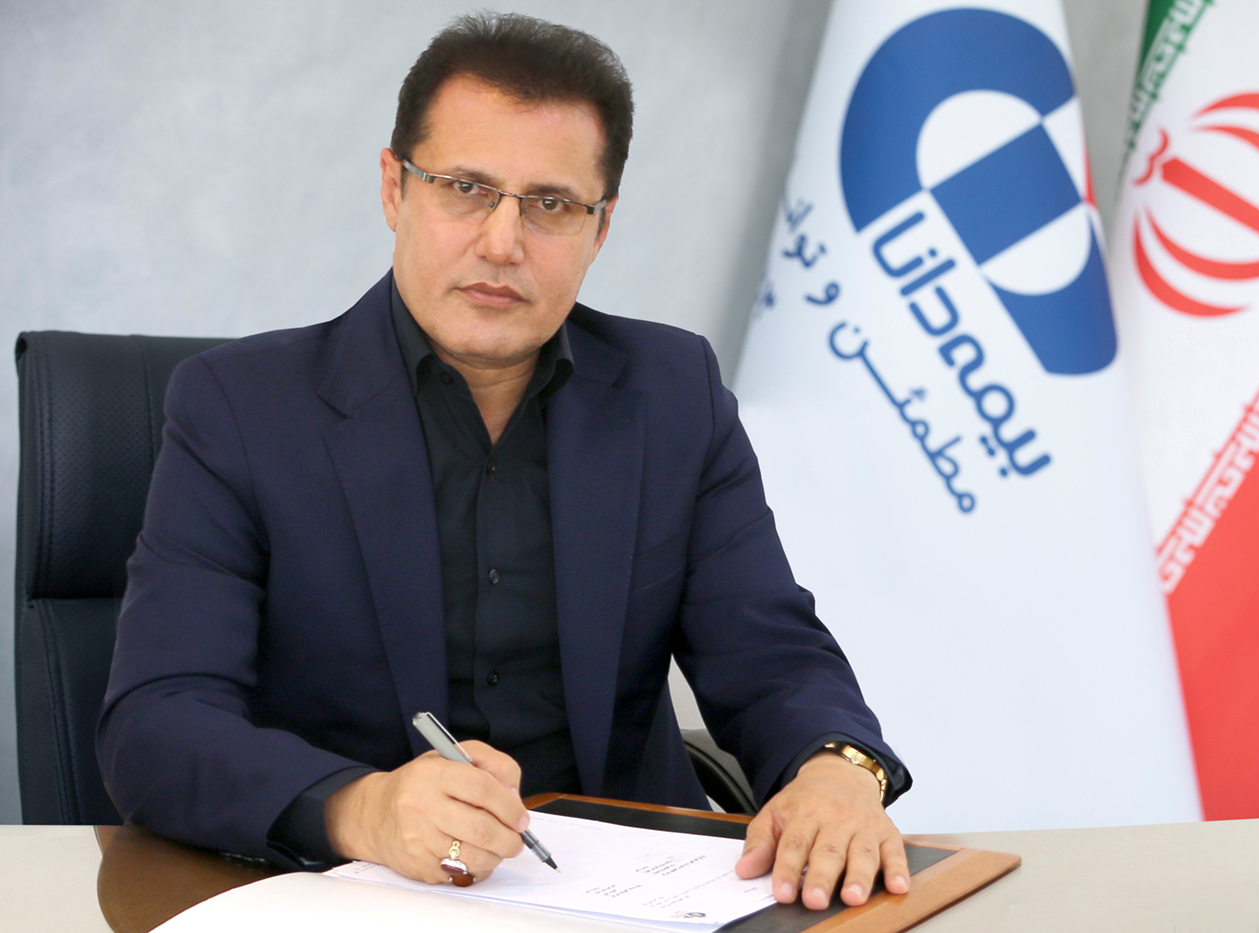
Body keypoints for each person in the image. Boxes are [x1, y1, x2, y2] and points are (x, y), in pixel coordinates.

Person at [97, 12, 911, 911]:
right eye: (465, 188)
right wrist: (362, 808)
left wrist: (836, 767)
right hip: (354, 899)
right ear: (394, 189)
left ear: (601, 228)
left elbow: (771, 652)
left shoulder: (672, 394)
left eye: (551, 204)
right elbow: (156, 723)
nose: (501, 242)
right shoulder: (241, 408)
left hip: (635, 901)